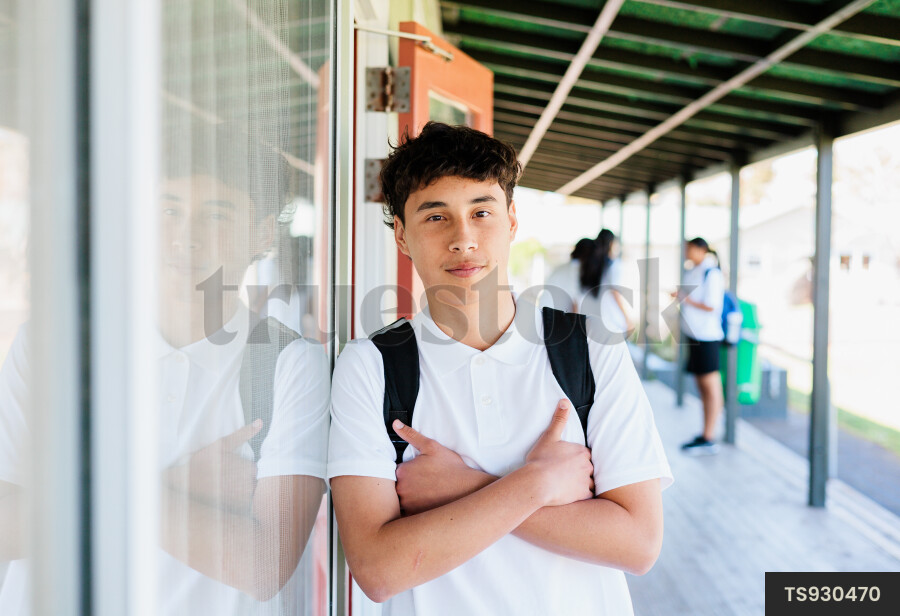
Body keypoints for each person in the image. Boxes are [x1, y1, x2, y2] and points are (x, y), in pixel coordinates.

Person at [328, 122, 672, 615]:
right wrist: (538, 485)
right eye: (435, 217)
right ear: (401, 235)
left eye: (481, 212)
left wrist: (461, 486)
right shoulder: (372, 366)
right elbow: (379, 570)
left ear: (511, 221)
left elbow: (638, 544)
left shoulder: (590, 348)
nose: (463, 239)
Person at [0, 125, 331, 615]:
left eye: (216, 214)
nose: (186, 237)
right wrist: (175, 488)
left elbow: (262, 568)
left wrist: (99, 496)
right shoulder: (55, 345)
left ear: (262, 233)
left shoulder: (287, 365)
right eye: (169, 209)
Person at [674, 237, 725, 455]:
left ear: (701, 250)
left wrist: (684, 299)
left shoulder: (711, 273)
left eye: (689, 249)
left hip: (707, 337)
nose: (686, 252)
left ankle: (709, 436)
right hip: (694, 336)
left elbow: (711, 306)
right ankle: (706, 433)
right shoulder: (693, 270)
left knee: (710, 386)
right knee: (702, 386)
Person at [577, 228, 635, 338]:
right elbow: (615, 293)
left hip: (592, 321)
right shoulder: (614, 265)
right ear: (612, 244)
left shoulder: (588, 265)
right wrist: (627, 319)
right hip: (612, 322)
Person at [541, 237, 594, 312]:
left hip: (545, 311)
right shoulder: (577, 269)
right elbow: (575, 303)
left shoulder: (562, 267)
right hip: (553, 316)